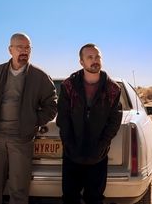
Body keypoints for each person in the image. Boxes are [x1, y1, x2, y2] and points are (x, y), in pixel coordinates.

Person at [0, 32, 57, 204]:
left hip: (21, 137)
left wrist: (32, 121)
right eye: (19, 47)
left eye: (27, 47)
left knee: (19, 187)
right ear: (10, 50)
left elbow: (52, 106)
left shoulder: (40, 77)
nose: (24, 51)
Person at [56, 43, 122, 204]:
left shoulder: (113, 88)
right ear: (81, 62)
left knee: (95, 198)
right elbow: (63, 118)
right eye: (90, 57)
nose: (95, 60)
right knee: (70, 198)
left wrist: (102, 144)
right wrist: (68, 143)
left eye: (98, 56)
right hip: (72, 152)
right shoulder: (68, 86)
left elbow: (114, 120)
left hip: (98, 154)